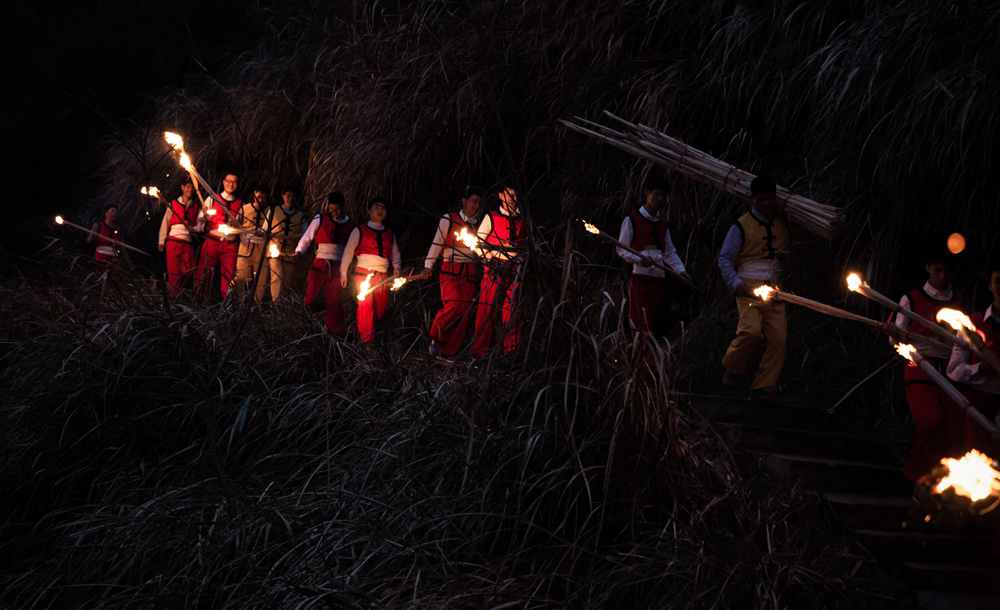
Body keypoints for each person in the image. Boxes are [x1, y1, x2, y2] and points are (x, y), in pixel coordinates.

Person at [718, 175, 789, 396]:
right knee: (751, 331)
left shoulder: (781, 225)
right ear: (754, 200)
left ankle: (764, 385)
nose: (768, 204)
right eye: (762, 200)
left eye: (771, 199)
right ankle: (732, 368)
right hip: (748, 288)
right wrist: (736, 283)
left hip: (775, 290)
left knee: (779, 337)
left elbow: (785, 257)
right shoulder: (741, 225)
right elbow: (725, 258)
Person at [894, 248, 962, 480]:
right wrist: (895, 336)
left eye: (946, 271)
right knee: (929, 421)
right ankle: (915, 476)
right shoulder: (911, 298)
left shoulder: (958, 303)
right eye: (937, 270)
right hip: (919, 367)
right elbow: (897, 336)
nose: (942, 276)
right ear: (928, 269)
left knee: (950, 430)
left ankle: (935, 484)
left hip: (952, 371)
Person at [616, 177, 690, 335]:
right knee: (640, 325)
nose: (660, 199)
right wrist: (639, 260)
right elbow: (622, 249)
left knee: (657, 326)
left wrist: (681, 271)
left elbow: (669, 253)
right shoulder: (631, 220)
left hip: (660, 281)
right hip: (639, 280)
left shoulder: (663, 225)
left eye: (663, 196)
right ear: (647, 193)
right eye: (656, 195)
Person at [418, 186, 483, 357]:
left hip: (470, 273)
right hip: (450, 271)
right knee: (454, 306)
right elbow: (437, 242)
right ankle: (435, 337)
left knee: (465, 312)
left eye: (478, 203)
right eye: (473, 201)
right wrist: (428, 265)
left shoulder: (480, 225)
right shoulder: (450, 219)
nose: (475, 206)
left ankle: (449, 352)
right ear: (464, 201)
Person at [946, 264, 1000, 455]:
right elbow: (953, 369)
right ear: (990, 286)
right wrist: (978, 368)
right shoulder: (972, 323)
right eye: (998, 281)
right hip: (978, 409)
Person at [470, 186, 525, 357]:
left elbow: (525, 246)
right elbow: (478, 243)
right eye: (508, 194)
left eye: (514, 194)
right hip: (494, 270)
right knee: (487, 308)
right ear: (501, 196)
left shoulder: (522, 220)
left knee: (512, 309)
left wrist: (520, 260)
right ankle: (480, 351)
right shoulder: (491, 217)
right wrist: (490, 259)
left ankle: (511, 350)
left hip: (514, 271)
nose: (512, 197)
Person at [339, 196, 402, 343]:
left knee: (380, 310)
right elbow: (348, 252)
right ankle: (367, 342)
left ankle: (374, 335)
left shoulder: (389, 233)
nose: (380, 210)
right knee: (365, 307)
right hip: (363, 274)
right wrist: (343, 272)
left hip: (383, 277)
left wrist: (397, 269)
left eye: (382, 208)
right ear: (369, 211)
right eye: (376, 207)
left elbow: (395, 253)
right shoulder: (359, 230)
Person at [296, 192, 353, 336]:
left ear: (343, 207)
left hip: (338, 267)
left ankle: (335, 333)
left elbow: (352, 248)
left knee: (334, 300)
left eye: (337, 209)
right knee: (311, 295)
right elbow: (307, 237)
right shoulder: (320, 219)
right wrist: (299, 251)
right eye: (332, 209)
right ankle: (306, 329)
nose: (335, 213)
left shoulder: (350, 225)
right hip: (320, 264)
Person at [195, 172, 242, 299]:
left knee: (228, 276)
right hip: (212, 242)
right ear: (223, 182)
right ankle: (199, 300)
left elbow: (241, 227)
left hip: (230, 246)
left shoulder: (240, 204)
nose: (230, 184)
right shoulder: (212, 198)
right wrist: (204, 218)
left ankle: (226, 305)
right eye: (228, 181)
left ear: (237, 184)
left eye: (234, 182)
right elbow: (200, 222)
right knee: (203, 273)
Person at [157, 177, 200, 296]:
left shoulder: (196, 207)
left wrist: (195, 227)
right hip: (173, 241)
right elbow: (165, 222)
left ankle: (184, 294)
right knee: (173, 272)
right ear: (182, 188)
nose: (190, 190)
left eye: (192, 187)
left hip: (187, 242)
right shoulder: (173, 204)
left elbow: (199, 226)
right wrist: (161, 241)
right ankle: (174, 298)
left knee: (188, 271)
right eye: (187, 187)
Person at [266, 188, 308, 299]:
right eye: (287, 195)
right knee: (276, 278)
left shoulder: (300, 215)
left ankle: (282, 307)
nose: (290, 198)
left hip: (291, 253)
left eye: (292, 196)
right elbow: (265, 230)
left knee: (287, 282)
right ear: (283, 196)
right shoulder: (274, 211)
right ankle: (275, 305)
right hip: (275, 252)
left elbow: (305, 235)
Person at [235, 187, 271, 302]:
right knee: (241, 278)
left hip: (261, 250)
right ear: (254, 195)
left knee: (260, 280)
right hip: (245, 248)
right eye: (258, 196)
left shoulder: (269, 211)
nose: (260, 199)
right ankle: (238, 303)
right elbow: (236, 225)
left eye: (262, 197)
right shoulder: (244, 209)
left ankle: (256, 305)